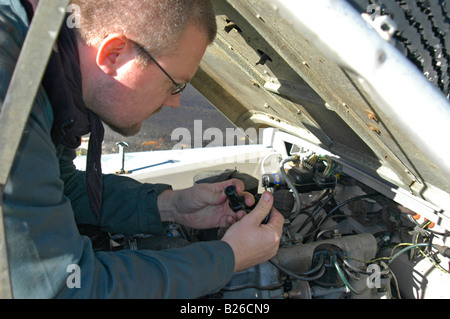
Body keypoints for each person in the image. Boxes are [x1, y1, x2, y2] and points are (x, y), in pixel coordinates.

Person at [0, 0, 284, 298]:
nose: (175, 102)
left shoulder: (39, 61)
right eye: (175, 85)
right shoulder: (11, 95)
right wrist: (229, 257)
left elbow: (61, 185)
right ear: (113, 55)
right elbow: (68, 289)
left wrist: (170, 205)